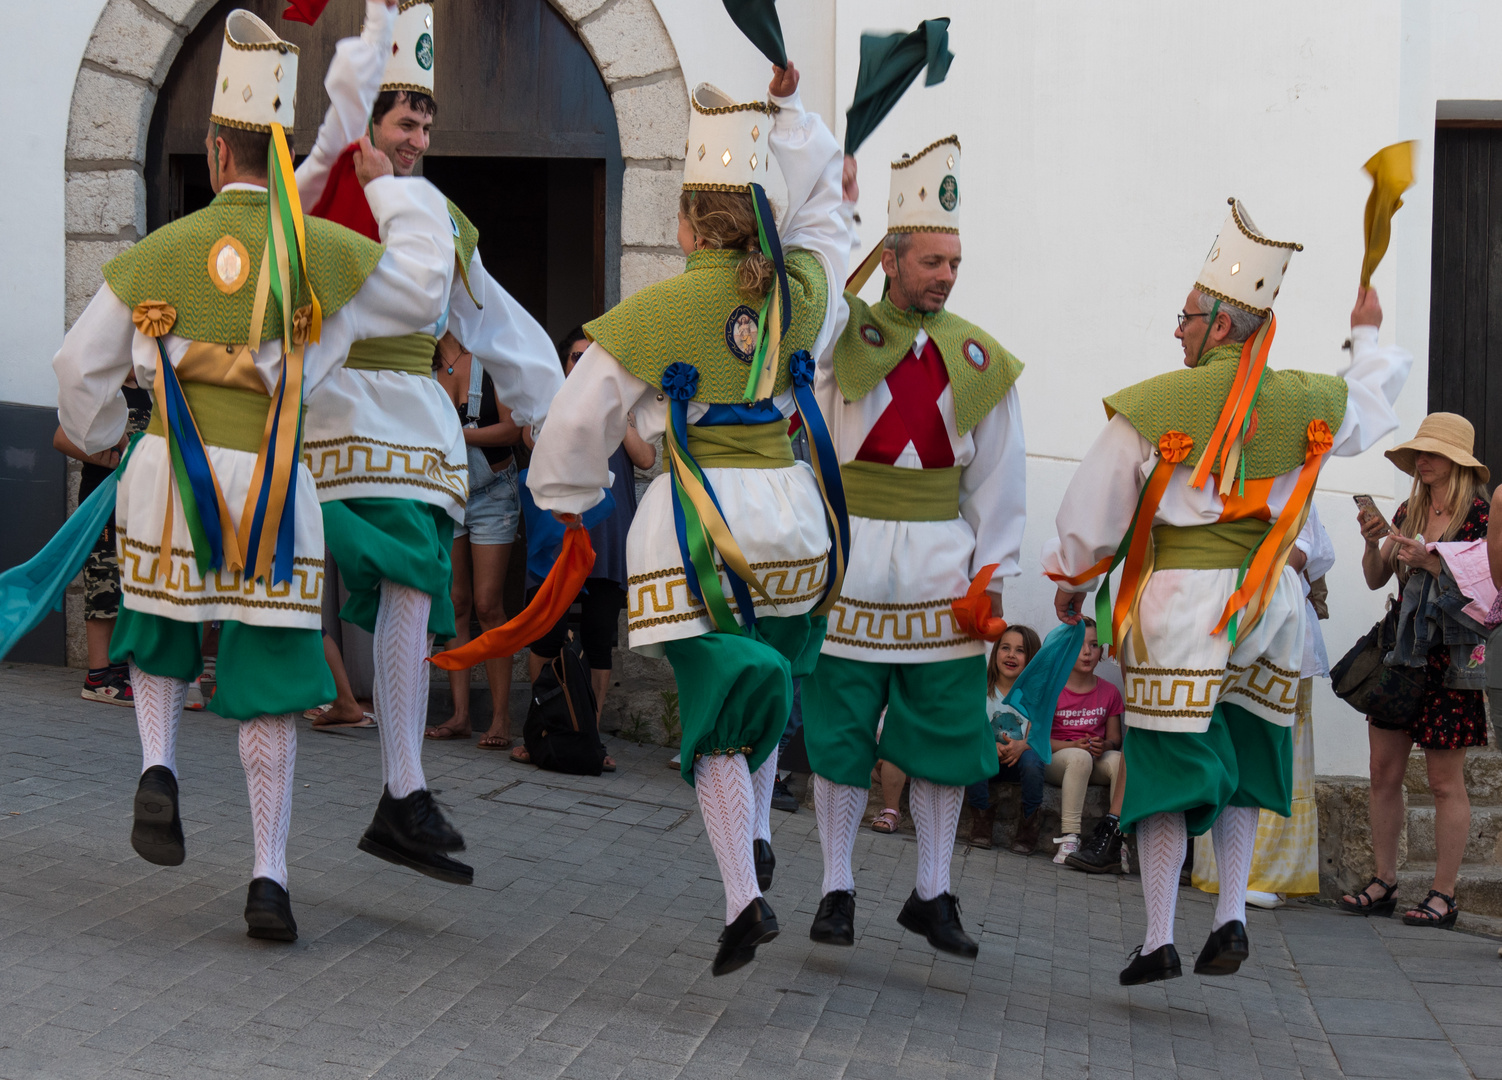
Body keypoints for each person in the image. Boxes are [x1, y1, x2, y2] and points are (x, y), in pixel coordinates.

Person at [51, 8, 455, 941]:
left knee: (158, 625)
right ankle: (268, 879)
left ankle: (159, 766)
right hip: (275, 481)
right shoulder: (322, 251)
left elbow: (78, 373)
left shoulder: (160, 251)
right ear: (276, 152)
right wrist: (382, 188)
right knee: (271, 672)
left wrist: (112, 436)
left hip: (168, 476)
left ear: (211, 148)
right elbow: (424, 288)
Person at [526, 63, 847, 976]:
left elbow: (577, 422)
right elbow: (828, 223)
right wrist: (794, 121)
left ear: (681, 221)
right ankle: (753, 838)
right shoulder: (801, 297)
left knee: (712, 702)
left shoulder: (657, 311)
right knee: (756, 683)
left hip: (701, 528)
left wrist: (570, 500)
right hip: (792, 526)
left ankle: (743, 896)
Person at [1043, 197, 1411, 986]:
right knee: (1245, 753)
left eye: (1185, 317)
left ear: (1218, 324)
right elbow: (1375, 402)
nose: (1175, 329)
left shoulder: (1156, 405)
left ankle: (1158, 940)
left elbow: (1093, 513)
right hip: (1268, 607)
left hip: (1183, 607)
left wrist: (1073, 579)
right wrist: (1370, 332)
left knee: (1168, 767)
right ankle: (1234, 914)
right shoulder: (1305, 400)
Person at [296, 0, 564, 886]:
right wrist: (373, 31)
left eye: (423, 124)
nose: (414, 137)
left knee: (415, 581)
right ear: (372, 118)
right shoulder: (328, 184)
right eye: (403, 119)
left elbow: (492, 316)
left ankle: (401, 791)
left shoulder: (442, 214)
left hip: (412, 419)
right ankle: (393, 792)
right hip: (338, 405)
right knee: (387, 574)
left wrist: (547, 413)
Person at [805, 139, 1026, 959]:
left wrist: (992, 573)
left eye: (955, 261)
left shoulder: (980, 359)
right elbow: (810, 301)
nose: (945, 275)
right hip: (852, 558)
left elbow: (1000, 480)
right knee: (838, 730)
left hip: (942, 572)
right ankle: (836, 886)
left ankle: (932, 892)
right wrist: (836, 206)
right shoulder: (839, 335)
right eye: (931, 260)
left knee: (944, 734)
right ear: (890, 260)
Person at [1340, 414, 1489, 929]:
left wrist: (1434, 564)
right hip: (1402, 656)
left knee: (1445, 782)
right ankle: (1384, 880)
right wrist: (1371, 540)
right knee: (1383, 771)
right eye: (1418, 454)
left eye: (1430, 454)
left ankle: (1444, 895)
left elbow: (1489, 596)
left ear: (1456, 462)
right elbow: (1378, 577)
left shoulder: (1482, 519)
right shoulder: (1410, 509)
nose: (1421, 462)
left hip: (1450, 657)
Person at [1195, 506, 1334, 907]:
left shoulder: (1295, 483)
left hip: (1277, 625)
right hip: (1227, 621)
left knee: (1271, 747)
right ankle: (1219, 869)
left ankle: (1264, 872)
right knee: (1225, 738)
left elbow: (1300, 550)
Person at [424, 330, 525, 749]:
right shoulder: (424, 368)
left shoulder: (486, 357)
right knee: (456, 603)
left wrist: (457, 435)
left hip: (491, 493)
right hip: (447, 492)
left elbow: (512, 430)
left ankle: (500, 717)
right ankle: (461, 715)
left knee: (488, 603)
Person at [52, 379, 152, 706]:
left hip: (141, 505)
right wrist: (112, 459)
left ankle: (118, 668)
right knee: (103, 583)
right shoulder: (102, 389)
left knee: (131, 584)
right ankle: (98, 677)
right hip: (102, 504)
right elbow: (62, 438)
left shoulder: (156, 388)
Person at [1044, 619, 1124, 867]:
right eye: (1079, 645)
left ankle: (1116, 843)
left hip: (1093, 759)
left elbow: (1115, 739)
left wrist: (1106, 746)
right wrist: (1071, 747)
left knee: (1121, 760)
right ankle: (1070, 837)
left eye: (1094, 645)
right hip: (1058, 759)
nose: (1087, 652)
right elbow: (1036, 740)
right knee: (1079, 758)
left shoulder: (1110, 692)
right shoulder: (1052, 689)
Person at [967, 625, 1044, 853]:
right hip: (987, 760)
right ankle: (981, 822)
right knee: (975, 753)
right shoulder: (981, 688)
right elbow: (972, 727)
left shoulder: (1035, 697)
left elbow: (1038, 734)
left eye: (1020, 651)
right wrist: (991, 745)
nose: (1011, 655)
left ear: (1032, 659)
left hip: (1018, 761)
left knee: (1033, 761)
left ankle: (1029, 825)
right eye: (1005, 648)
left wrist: (1023, 745)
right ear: (995, 652)